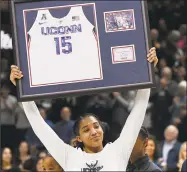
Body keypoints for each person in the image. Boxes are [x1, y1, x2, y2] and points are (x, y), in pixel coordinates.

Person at [10, 47, 158, 171]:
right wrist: (21, 85)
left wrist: (148, 69)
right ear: (78, 137)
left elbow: (139, 109)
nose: (94, 132)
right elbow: (37, 123)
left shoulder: (118, 150)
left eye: (96, 126)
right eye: (86, 130)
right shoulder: (68, 155)